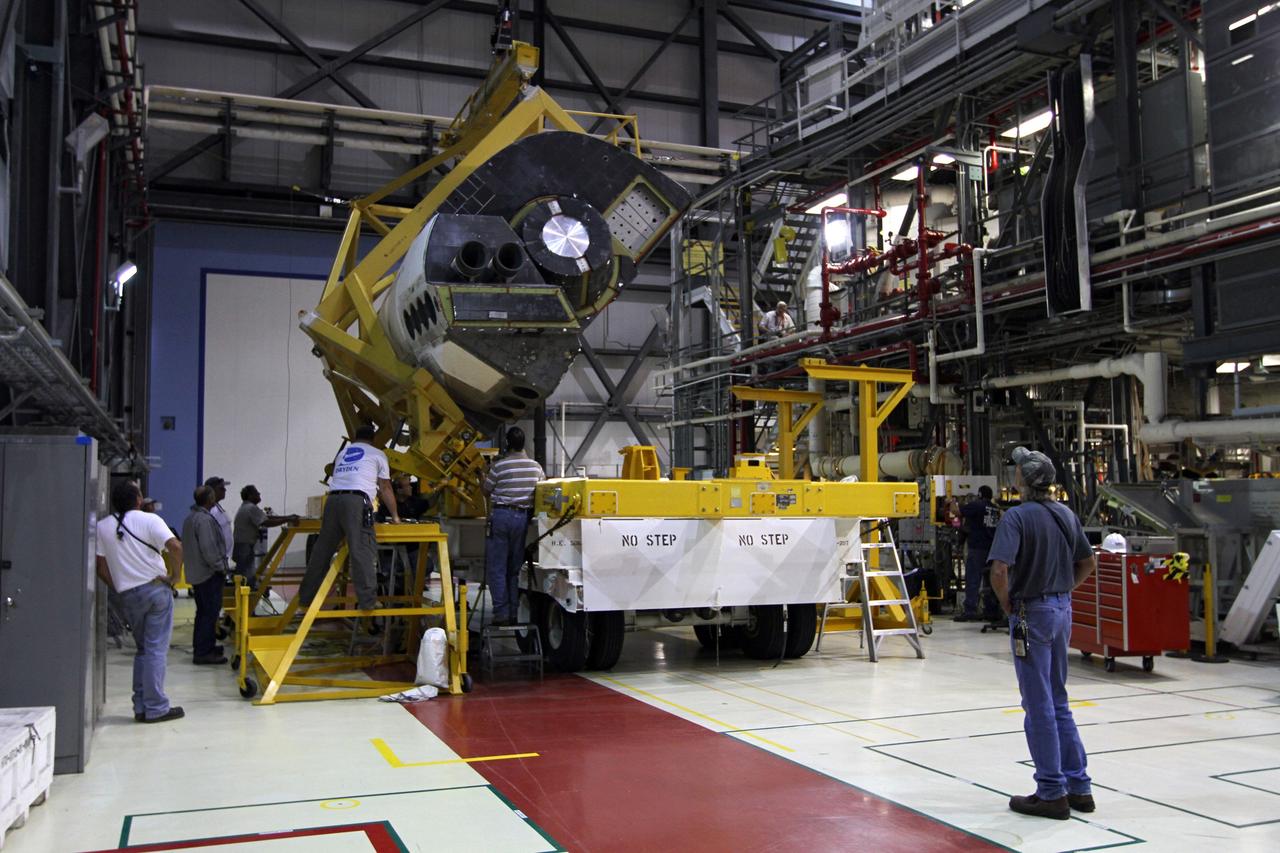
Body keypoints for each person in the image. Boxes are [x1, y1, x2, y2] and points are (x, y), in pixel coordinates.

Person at [989, 447, 1097, 820]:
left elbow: (1000, 570)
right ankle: (1079, 786)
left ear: (1022, 479)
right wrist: (1063, 592)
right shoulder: (1066, 514)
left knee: (1038, 705)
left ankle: (1051, 792)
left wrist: (1008, 604)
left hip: (1030, 613)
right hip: (1061, 610)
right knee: (1058, 698)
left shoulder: (1016, 518)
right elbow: (1088, 562)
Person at [95, 480, 185, 723]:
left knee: (143, 650)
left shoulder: (103, 527)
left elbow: (100, 567)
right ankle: (157, 707)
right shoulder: (150, 520)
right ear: (138, 499)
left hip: (128, 596)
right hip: (155, 591)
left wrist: (119, 586)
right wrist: (174, 577)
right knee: (156, 649)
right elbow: (176, 546)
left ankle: (141, 706)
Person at [299, 424, 400, 611]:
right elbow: (385, 487)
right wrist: (395, 516)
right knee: (361, 550)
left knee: (322, 551)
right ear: (373, 439)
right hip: (355, 502)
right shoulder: (377, 454)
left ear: (355, 437)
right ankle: (368, 602)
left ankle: (305, 597)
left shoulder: (342, 454)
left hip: (332, 502)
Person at [482, 426, 545, 625]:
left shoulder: (499, 466)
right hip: (522, 518)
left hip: (501, 516)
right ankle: (514, 612)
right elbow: (542, 490)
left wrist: (481, 477)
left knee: (497, 567)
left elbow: (486, 491)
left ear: (507, 444)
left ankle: (501, 612)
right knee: (514, 568)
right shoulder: (536, 467)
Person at [181, 485, 229, 665]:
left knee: (203, 613)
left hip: (197, 573)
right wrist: (220, 567)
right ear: (210, 499)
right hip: (208, 574)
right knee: (209, 613)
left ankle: (205, 647)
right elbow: (209, 549)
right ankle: (203, 652)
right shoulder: (203, 520)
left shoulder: (191, 518)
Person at [232, 485, 296, 585]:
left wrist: (288, 517)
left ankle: (246, 594)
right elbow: (266, 522)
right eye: (256, 493)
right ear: (250, 496)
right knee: (247, 576)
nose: (259, 494)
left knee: (245, 574)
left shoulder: (246, 506)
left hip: (241, 546)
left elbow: (266, 518)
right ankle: (248, 597)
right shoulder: (251, 508)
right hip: (244, 547)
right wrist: (288, 519)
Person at [955, 486, 1001, 622]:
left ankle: (970, 610)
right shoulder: (995, 508)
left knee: (973, 579)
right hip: (992, 549)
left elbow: (955, 511)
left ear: (979, 494)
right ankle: (991, 609)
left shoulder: (977, 505)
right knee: (990, 580)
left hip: (977, 548)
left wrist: (951, 500)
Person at [204, 476, 234, 564]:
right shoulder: (211, 511)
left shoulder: (217, 507)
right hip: (217, 559)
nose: (225, 490)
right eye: (221, 488)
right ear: (211, 491)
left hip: (224, 558)